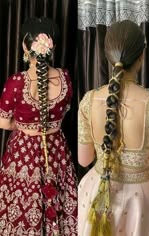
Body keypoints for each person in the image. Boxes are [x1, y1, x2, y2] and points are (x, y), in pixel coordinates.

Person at [77, 20, 149, 236]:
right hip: (138, 198)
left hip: (96, 193)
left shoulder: (88, 100)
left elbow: (84, 160)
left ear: (108, 56)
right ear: (141, 56)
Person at [0, 17, 78, 235]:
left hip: (23, 153)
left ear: (25, 46)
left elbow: (3, 122)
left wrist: (24, 126)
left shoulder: (16, 81)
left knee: (21, 202)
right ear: (51, 46)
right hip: (56, 150)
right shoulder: (65, 77)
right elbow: (65, 112)